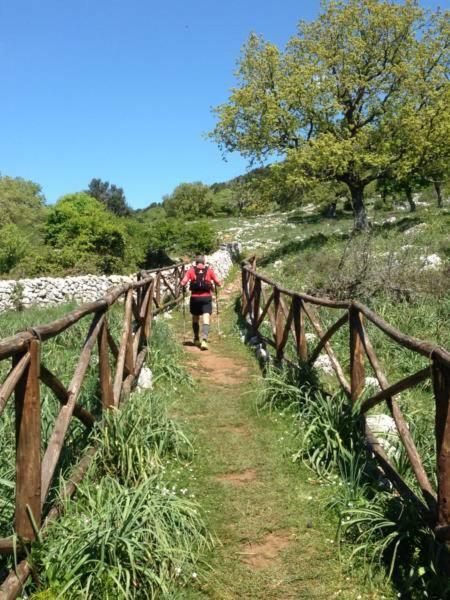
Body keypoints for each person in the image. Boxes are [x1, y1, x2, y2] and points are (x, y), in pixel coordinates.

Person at [180, 255, 221, 350]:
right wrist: (216, 284)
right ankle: (204, 340)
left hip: (194, 299)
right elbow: (218, 282)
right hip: (206, 298)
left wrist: (182, 284)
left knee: (195, 318)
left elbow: (183, 282)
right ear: (204, 262)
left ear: (195, 262)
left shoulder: (191, 270)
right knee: (206, 318)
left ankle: (196, 338)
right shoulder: (209, 270)